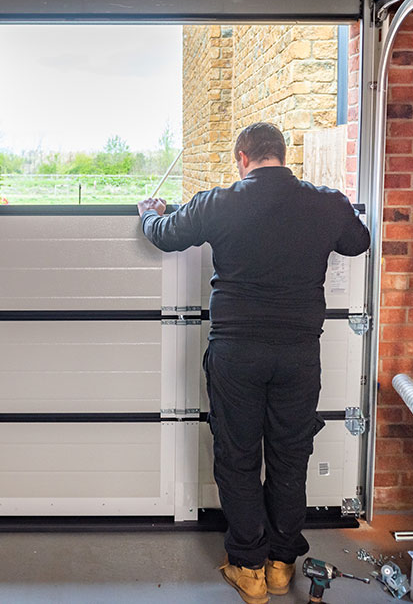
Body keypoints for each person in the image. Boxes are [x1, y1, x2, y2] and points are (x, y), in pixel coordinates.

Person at [137, 122, 370, 604]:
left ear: (242, 157)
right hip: (298, 355)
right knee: (290, 455)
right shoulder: (324, 203)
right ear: (282, 156)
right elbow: (357, 242)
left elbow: (163, 235)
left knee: (239, 456)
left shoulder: (219, 202)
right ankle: (283, 564)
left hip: (236, 354)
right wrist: (334, 207)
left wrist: (149, 213)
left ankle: (249, 571)